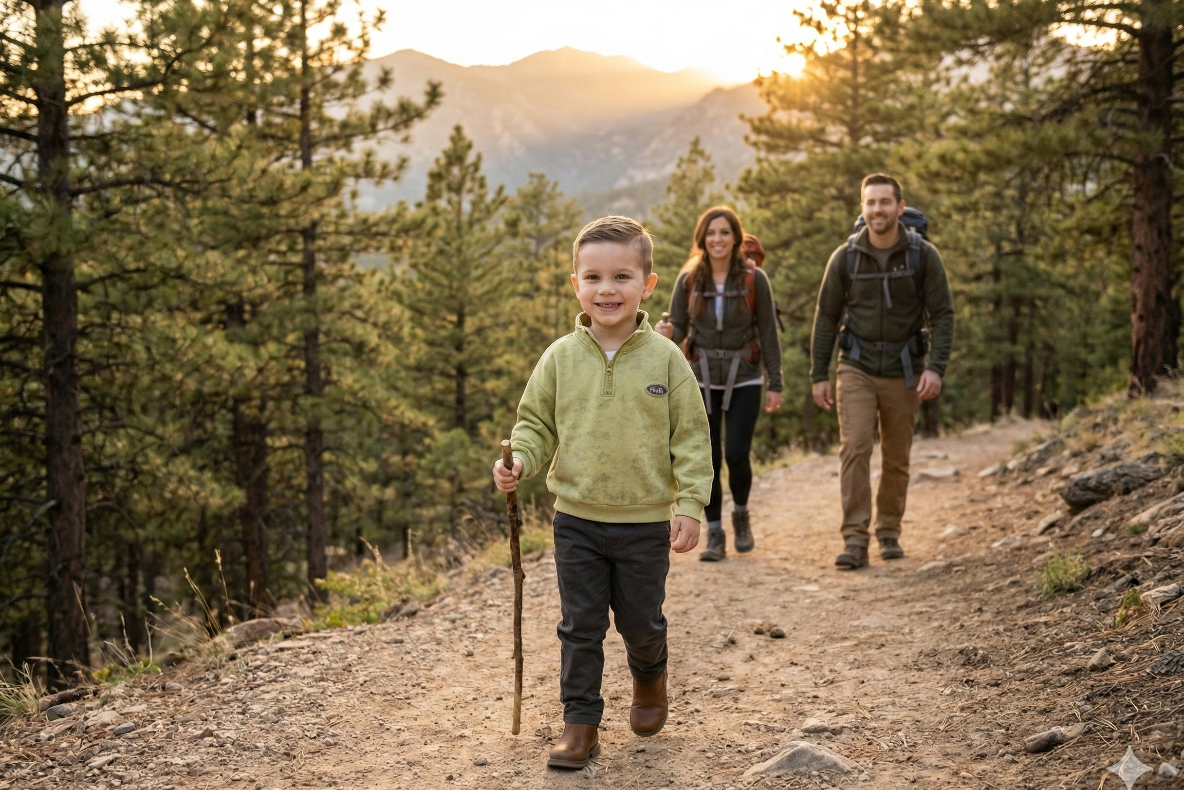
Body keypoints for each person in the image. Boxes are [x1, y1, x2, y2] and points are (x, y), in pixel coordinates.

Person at [493, 216, 712, 769]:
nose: (607, 289)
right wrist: (519, 460)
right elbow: (535, 424)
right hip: (577, 519)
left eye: (621, 276)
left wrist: (690, 503)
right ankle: (581, 723)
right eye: (593, 277)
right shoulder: (561, 357)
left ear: (648, 284)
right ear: (576, 285)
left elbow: (690, 434)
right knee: (580, 625)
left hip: (643, 523)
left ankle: (649, 676)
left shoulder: (666, 359)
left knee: (641, 621)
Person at [809, 174, 954, 570]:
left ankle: (888, 531)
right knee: (856, 446)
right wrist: (819, 373)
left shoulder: (923, 256)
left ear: (900, 207)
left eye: (885, 202)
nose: (877, 210)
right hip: (855, 365)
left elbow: (942, 315)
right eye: (870, 203)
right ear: (863, 207)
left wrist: (936, 368)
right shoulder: (845, 257)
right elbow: (826, 318)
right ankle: (854, 540)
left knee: (896, 454)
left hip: (904, 369)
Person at [655, 207, 782, 562]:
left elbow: (769, 333)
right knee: (707, 457)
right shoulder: (690, 279)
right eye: (711, 233)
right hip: (700, 378)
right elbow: (678, 326)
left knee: (738, 453)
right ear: (702, 239)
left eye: (725, 232)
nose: (718, 239)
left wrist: (776, 382)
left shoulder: (755, 280)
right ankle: (715, 534)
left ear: (736, 238)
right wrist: (667, 334)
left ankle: (740, 514)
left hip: (746, 376)